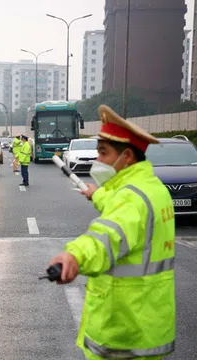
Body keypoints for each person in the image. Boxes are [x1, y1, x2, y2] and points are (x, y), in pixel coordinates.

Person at [48, 105, 175, 360]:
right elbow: (126, 216)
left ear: (126, 156)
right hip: (147, 323)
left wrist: (74, 256)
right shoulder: (151, 189)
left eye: (103, 153)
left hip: (123, 332)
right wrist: (99, 194)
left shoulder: (130, 198)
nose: (98, 161)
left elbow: (107, 236)